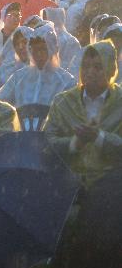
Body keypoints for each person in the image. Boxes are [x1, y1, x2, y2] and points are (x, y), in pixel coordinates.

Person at [43, 40, 122, 187]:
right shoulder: (63, 102)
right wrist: (74, 143)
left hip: (113, 188)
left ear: (111, 70)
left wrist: (99, 138)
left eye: (98, 67)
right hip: (68, 185)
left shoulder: (119, 102)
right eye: (85, 66)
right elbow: (45, 144)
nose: (89, 72)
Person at [0, 24, 75, 108]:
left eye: (43, 49)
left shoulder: (66, 81)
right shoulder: (19, 78)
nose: (39, 54)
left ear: (52, 49)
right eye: (35, 49)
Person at [42, 7, 81, 74]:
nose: (45, 22)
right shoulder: (43, 37)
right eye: (43, 19)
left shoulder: (70, 41)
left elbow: (72, 65)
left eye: (46, 19)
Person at [0, 26, 32, 90]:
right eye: (16, 44)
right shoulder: (5, 69)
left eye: (24, 42)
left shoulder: (41, 70)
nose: (20, 47)